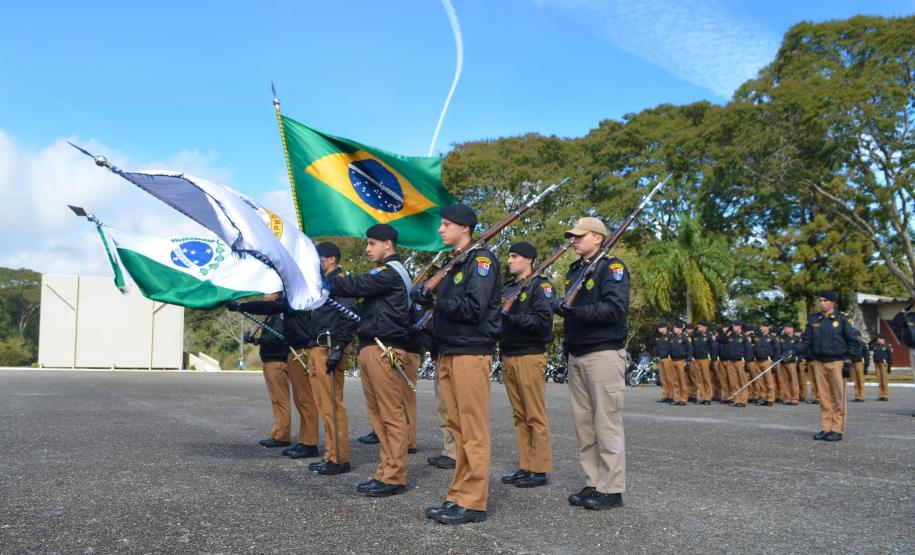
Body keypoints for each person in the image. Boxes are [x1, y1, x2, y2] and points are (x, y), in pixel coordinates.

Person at [412, 204, 500, 525]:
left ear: (464, 227)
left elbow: (474, 307)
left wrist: (435, 302)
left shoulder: (481, 260)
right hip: (450, 350)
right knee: (459, 428)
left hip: (470, 350)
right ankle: (458, 494)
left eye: (446, 224)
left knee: (473, 429)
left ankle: (474, 501)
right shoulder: (454, 263)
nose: (440, 229)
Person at [325, 225, 413, 494]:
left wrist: (325, 278)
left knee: (390, 414)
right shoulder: (384, 272)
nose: (367, 248)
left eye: (372, 243)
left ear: (388, 243)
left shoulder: (390, 272)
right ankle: (385, 471)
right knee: (378, 416)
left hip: (383, 347)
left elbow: (356, 285)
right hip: (371, 346)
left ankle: (394, 475)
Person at [551, 216, 629, 511]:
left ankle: (612, 488)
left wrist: (574, 311)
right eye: (572, 236)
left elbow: (615, 309)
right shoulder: (576, 270)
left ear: (598, 237)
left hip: (603, 353)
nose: (574, 240)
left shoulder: (612, 267)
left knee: (606, 423)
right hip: (578, 352)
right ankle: (594, 481)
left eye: (580, 236)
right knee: (584, 425)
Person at [230, 290, 324, 460]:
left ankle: (308, 443)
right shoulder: (290, 302)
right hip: (294, 351)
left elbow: (276, 334)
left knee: (304, 400)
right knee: (300, 400)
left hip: (298, 352)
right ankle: (305, 441)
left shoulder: (293, 300)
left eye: (269, 291)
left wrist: (240, 307)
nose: (265, 294)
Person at [499, 241, 554, 489]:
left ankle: (539, 469)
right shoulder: (508, 288)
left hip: (530, 355)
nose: (509, 260)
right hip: (509, 355)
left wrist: (511, 317)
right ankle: (526, 464)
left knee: (534, 414)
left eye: (514, 256)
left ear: (529, 260)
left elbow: (543, 321)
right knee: (519, 415)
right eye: (509, 256)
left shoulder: (539, 286)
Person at [790, 291, 861, 441]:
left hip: (837, 362)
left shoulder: (842, 319)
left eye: (825, 300)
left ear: (833, 302)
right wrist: (793, 351)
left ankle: (837, 429)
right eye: (821, 300)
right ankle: (826, 427)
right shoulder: (815, 319)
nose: (822, 303)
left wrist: (848, 361)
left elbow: (854, 342)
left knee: (838, 398)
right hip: (818, 363)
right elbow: (806, 340)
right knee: (824, 398)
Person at [246, 312, 292, 448]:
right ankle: (278, 432)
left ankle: (282, 436)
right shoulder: (270, 316)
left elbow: (276, 338)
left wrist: (257, 341)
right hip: (269, 361)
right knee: (275, 400)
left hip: (276, 361)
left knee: (281, 400)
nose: (265, 295)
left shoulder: (279, 315)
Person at [719, 321, 751, 407]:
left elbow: (748, 350)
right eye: (733, 326)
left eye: (735, 326)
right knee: (734, 381)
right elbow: (720, 340)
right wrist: (726, 332)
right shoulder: (730, 336)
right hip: (731, 361)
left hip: (740, 361)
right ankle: (737, 399)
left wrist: (747, 362)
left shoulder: (744, 337)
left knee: (742, 381)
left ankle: (743, 400)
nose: (734, 327)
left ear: (740, 326)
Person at [752, 322, 781, 406]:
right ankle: (762, 397)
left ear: (768, 327)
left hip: (767, 361)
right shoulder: (757, 337)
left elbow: (777, 350)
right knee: (760, 381)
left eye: (763, 326)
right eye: (760, 326)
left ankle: (770, 399)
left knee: (769, 380)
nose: (761, 328)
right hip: (757, 361)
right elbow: (753, 348)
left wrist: (775, 363)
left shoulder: (772, 338)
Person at [690, 321, 717, 405]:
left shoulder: (709, 336)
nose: (699, 328)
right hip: (696, 360)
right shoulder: (696, 336)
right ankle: (702, 397)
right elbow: (692, 347)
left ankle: (708, 398)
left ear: (705, 327)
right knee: (699, 380)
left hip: (705, 359)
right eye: (698, 326)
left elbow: (713, 349)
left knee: (706, 379)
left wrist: (713, 360)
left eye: (701, 326)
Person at [668, 322, 692, 406]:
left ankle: (683, 399)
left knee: (682, 381)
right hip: (673, 360)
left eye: (676, 328)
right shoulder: (672, 337)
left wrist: (688, 361)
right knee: (675, 381)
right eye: (674, 328)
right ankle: (677, 398)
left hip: (681, 361)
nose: (674, 329)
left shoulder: (685, 338)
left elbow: (689, 350)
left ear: (680, 329)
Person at [778, 323, 800, 405]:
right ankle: (787, 398)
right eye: (784, 328)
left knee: (794, 381)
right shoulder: (782, 338)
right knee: (785, 381)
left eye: (787, 328)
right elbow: (779, 349)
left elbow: (798, 350)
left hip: (791, 362)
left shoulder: (796, 338)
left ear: (792, 328)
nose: (785, 329)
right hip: (782, 361)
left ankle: (795, 398)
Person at [654, 323, 673, 403]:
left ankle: (671, 396)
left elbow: (671, 347)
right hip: (660, 359)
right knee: (663, 379)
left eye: (660, 328)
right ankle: (666, 395)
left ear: (665, 328)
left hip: (667, 359)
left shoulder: (670, 336)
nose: (659, 329)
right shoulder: (659, 337)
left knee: (669, 378)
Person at [870, 334, 892, 401]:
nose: (878, 340)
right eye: (878, 338)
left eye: (880, 338)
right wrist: (874, 339)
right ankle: (881, 395)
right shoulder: (875, 346)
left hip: (884, 364)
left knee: (884, 380)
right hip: (877, 364)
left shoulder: (887, 346)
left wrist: (889, 366)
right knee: (879, 380)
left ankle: (885, 395)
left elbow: (890, 356)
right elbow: (868, 346)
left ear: (883, 339)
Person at [851, 337, 868, 402]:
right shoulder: (851, 343)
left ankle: (861, 396)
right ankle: (857, 396)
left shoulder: (863, 344)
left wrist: (866, 366)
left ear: (860, 337)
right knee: (855, 381)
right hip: (852, 363)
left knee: (861, 380)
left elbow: (866, 355)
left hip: (859, 362)